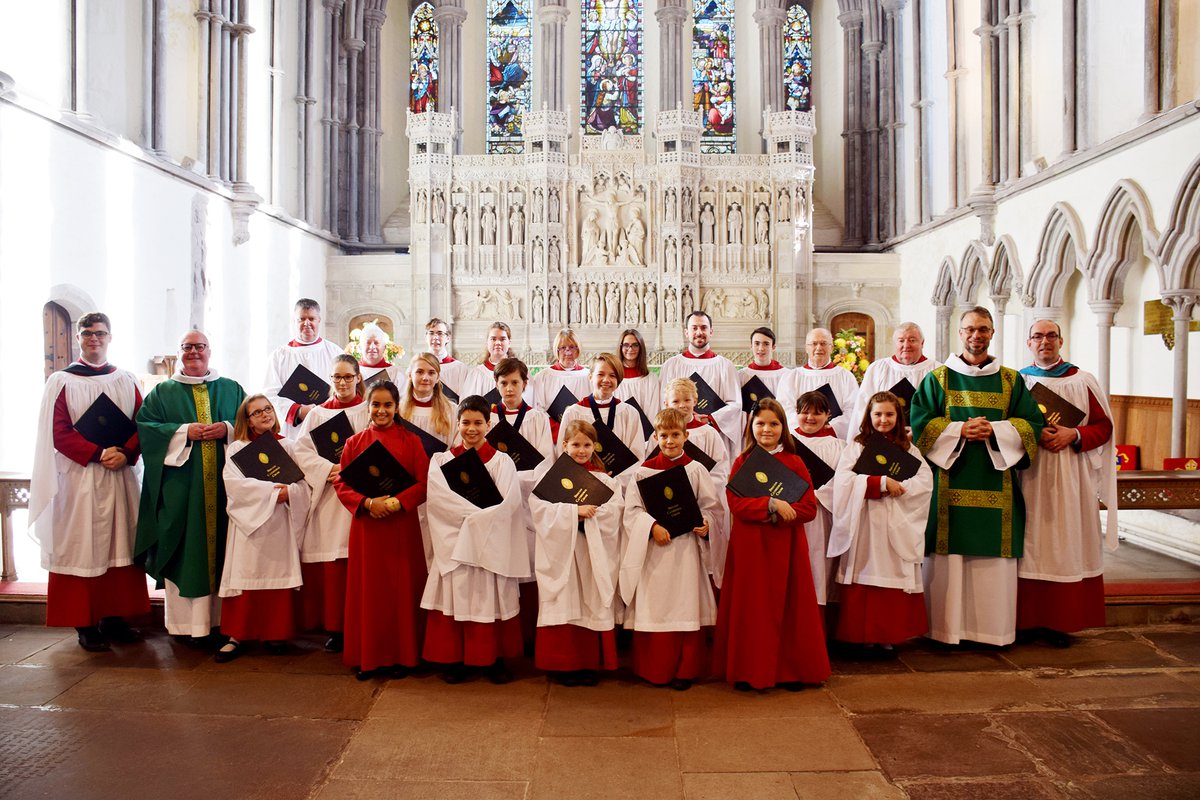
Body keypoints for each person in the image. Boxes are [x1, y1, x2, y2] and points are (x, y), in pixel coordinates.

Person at [910, 307, 1043, 647]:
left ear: (992, 332)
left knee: (992, 563)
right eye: (970, 329)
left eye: (983, 329)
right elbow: (921, 422)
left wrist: (996, 430)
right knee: (948, 558)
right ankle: (946, 632)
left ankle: (991, 632)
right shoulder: (938, 378)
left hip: (996, 480)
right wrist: (959, 429)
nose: (976, 336)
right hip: (948, 485)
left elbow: (1032, 424)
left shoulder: (1012, 380)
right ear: (960, 333)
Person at [30, 312, 149, 651]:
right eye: (87, 334)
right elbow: (57, 431)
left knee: (119, 544)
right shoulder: (61, 381)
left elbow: (144, 423)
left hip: (119, 476)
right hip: (80, 478)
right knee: (82, 544)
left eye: (100, 333)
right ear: (78, 338)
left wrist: (126, 453)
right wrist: (99, 453)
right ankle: (85, 623)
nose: (94, 338)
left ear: (110, 337)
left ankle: (115, 617)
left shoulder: (126, 380)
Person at [135, 330, 246, 644]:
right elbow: (147, 430)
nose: (194, 352)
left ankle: (222, 624)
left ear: (210, 351)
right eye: (187, 347)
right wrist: (184, 432)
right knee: (185, 550)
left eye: (200, 346)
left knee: (223, 551)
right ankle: (187, 628)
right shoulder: (162, 393)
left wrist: (226, 428)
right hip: (181, 491)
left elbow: (253, 424)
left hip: (226, 492)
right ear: (180, 352)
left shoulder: (231, 388)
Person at [713, 399, 829, 691]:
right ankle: (749, 670)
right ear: (751, 426)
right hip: (751, 547)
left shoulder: (795, 461)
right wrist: (771, 503)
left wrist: (781, 513)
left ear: (783, 427)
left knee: (790, 608)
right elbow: (736, 504)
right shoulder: (742, 462)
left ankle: (790, 671)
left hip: (786, 545)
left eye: (773, 423)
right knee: (753, 608)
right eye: (761, 423)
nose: (767, 429)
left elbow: (809, 508)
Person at [1017, 319, 1118, 647]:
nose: (1044, 341)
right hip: (1028, 474)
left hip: (1071, 476)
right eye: (1037, 336)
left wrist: (1073, 434)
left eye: (1050, 336)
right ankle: (1026, 620)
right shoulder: (1016, 381)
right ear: (1028, 342)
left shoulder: (1083, 380)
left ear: (1061, 340)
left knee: (1063, 543)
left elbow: (1104, 427)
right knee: (1030, 543)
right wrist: (1033, 433)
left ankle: (1061, 622)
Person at [422, 396, 528, 684]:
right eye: (466, 422)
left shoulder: (502, 461)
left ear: (488, 424)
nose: (472, 428)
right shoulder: (442, 461)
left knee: (489, 597)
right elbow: (440, 501)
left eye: (478, 423)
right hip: (456, 544)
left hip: (490, 546)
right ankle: (456, 658)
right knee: (458, 598)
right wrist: (475, 517)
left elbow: (509, 503)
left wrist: (476, 520)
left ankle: (492, 658)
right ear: (457, 424)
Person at [620, 408, 725, 690]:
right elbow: (631, 512)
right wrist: (652, 526)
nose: (669, 441)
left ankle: (685, 669)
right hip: (655, 552)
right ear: (655, 436)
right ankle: (655, 669)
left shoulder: (696, 469)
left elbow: (712, 507)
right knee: (657, 609)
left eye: (675, 435)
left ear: (686, 436)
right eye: (663, 435)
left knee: (684, 605)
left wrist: (706, 524)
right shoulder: (642, 472)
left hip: (686, 552)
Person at [333, 380, 431, 679]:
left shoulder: (410, 441)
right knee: (369, 593)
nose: (381, 410)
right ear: (369, 406)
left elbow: (424, 483)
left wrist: (398, 502)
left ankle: (403, 656)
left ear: (396, 407)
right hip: (368, 529)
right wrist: (366, 502)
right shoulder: (355, 442)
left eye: (388, 405)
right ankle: (369, 657)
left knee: (400, 591)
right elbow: (341, 482)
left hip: (400, 526)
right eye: (376, 404)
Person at [829, 392, 933, 652]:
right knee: (864, 574)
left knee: (891, 575)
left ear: (898, 417)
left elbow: (924, 482)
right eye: (878, 414)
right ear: (868, 416)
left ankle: (888, 635)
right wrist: (879, 483)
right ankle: (861, 637)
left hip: (895, 522)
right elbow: (842, 481)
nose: (883, 420)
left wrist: (901, 487)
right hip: (864, 522)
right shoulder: (857, 445)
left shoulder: (909, 449)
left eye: (889, 414)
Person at [216, 395, 311, 662]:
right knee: (246, 574)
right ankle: (236, 635)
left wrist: (290, 493)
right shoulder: (237, 449)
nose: (265, 414)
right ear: (247, 420)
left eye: (268, 409)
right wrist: (272, 493)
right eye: (257, 412)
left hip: (280, 522)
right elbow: (233, 485)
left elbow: (304, 485)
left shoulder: (290, 446)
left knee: (276, 575)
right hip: (249, 526)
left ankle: (275, 633)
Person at [528, 419, 623, 686]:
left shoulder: (604, 479)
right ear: (565, 445)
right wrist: (573, 512)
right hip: (563, 552)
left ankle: (588, 663)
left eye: (587, 445)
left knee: (589, 600)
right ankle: (562, 663)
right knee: (565, 600)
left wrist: (590, 515)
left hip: (591, 550)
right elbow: (538, 508)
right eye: (575, 444)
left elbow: (615, 510)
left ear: (594, 447)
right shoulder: (551, 477)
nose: (581, 450)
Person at [293, 354, 370, 652]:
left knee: (356, 560)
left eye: (348, 377)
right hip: (329, 496)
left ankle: (360, 621)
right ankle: (337, 627)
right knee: (334, 563)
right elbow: (303, 451)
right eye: (336, 377)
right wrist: (328, 470)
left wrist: (353, 470)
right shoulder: (318, 415)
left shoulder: (368, 410)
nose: (342, 383)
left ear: (358, 377)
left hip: (361, 493)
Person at [490, 357, 556, 650]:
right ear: (496, 385)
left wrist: (512, 481)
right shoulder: (488, 418)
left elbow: (545, 465)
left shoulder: (537, 418)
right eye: (503, 383)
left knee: (528, 565)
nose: (509, 388)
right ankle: (504, 635)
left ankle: (529, 635)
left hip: (528, 505)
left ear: (525, 384)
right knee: (500, 565)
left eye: (515, 382)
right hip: (495, 505)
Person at [662, 377, 732, 588]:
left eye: (687, 400)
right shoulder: (662, 435)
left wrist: (697, 487)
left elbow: (721, 471)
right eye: (675, 401)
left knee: (702, 565)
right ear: (666, 404)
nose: (682, 405)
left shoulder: (708, 433)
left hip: (701, 504)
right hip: (671, 507)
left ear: (696, 401)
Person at [659, 311, 743, 455]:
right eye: (694, 328)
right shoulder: (671, 365)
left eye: (704, 328)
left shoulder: (725, 365)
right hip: (678, 436)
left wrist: (709, 420)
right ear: (686, 332)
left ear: (711, 331)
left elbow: (735, 404)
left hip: (714, 436)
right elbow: (663, 402)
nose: (699, 332)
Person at [791, 390, 846, 608]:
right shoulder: (786, 442)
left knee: (819, 563)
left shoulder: (839, 446)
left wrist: (815, 496)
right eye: (805, 412)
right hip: (791, 513)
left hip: (822, 514)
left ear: (828, 415)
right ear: (796, 413)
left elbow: (843, 480)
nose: (811, 418)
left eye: (817, 413)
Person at [558, 353, 646, 484]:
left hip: (620, 485)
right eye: (600, 374)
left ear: (619, 380)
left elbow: (638, 456)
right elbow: (562, 452)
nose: (606, 380)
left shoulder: (629, 413)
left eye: (612, 375)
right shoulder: (573, 412)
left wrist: (612, 480)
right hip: (582, 484)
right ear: (590, 376)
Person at [261, 299, 344, 437]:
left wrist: (326, 409)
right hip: (294, 430)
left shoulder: (336, 353)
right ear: (294, 321)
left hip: (328, 422)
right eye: (301, 319)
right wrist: (298, 411)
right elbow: (269, 394)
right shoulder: (279, 356)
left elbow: (347, 386)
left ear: (319, 320)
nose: (307, 323)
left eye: (311, 318)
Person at [850, 323, 941, 432]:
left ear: (922, 343)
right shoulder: (877, 368)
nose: (906, 345)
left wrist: (920, 430)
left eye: (912, 340)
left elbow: (942, 410)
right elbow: (863, 406)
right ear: (894, 343)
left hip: (924, 437)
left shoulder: (938, 370)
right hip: (883, 438)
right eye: (901, 340)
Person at [778, 327, 861, 440]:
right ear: (806, 348)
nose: (819, 348)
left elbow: (853, 409)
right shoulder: (791, 377)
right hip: (800, 440)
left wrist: (831, 427)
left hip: (833, 440)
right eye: (814, 343)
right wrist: (805, 429)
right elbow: (785, 408)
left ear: (831, 347)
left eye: (823, 343)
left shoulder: (846, 376)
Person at [530, 328, 591, 440]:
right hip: (552, 434)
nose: (568, 352)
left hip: (582, 434)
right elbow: (538, 409)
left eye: (572, 347)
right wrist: (558, 430)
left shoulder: (588, 376)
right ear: (556, 350)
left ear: (578, 349)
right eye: (563, 348)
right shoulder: (543, 376)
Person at [399, 352, 458, 450]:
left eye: (431, 373)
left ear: (438, 377)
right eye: (420, 372)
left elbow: (456, 446)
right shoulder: (399, 409)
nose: (425, 378)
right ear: (410, 375)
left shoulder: (451, 410)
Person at [613, 328, 660, 442]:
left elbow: (653, 410)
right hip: (619, 433)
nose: (630, 349)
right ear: (621, 347)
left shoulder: (651, 379)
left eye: (635, 345)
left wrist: (647, 438)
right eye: (626, 345)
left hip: (645, 435)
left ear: (641, 348)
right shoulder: (613, 377)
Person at [739, 326, 790, 415]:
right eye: (757, 343)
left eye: (766, 344)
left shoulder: (786, 375)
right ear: (751, 346)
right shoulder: (742, 375)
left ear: (773, 347)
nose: (761, 348)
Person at [464, 321, 521, 399]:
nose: (498, 343)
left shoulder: (519, 372)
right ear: (487, 342)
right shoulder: (476, 374)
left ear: (509, 342)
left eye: (502, 339)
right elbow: (467, 405)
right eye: (493, 339)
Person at [423, 318, 472, 401]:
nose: (435, 337)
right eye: (431, 333)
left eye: (440, 333)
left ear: (448, 338)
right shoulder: (417, 365)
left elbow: (464, 398)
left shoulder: (460, 368)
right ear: (426, 337)